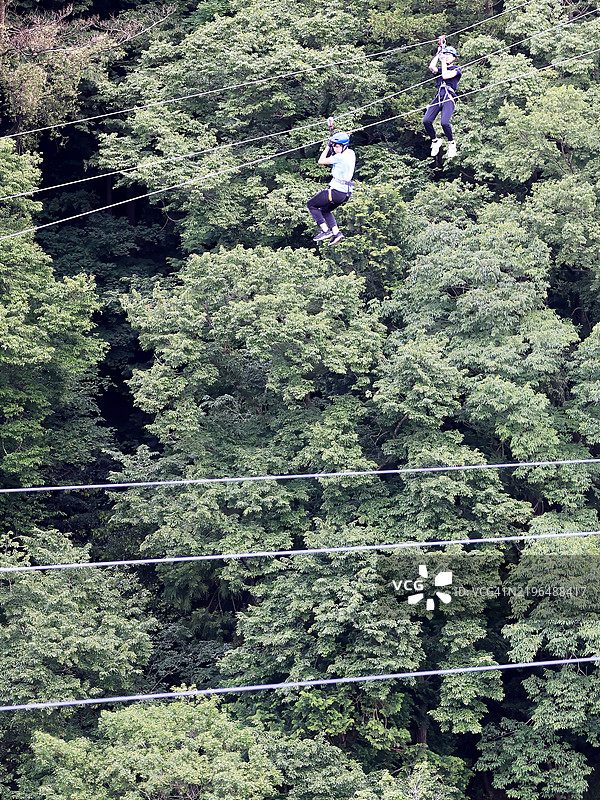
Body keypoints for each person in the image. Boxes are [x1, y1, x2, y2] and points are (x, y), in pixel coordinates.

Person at [307, 131, 355, 246]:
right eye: (334, 145)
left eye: (337, 146)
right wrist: (333, 146)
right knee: (325, 210)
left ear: (344, 146)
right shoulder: (351, 153)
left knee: (311, 205)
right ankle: (336, 233)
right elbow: (337, 155)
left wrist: (328, 146)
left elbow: (321, 161)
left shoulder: (339, 157)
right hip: (345, 194)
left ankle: (325, 230)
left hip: (336, 192)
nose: (335, 148)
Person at [423, 44, 462, 158]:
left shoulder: (456, 69)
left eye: (449, 55)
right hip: (438, 97)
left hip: (449, 97)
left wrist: (443, 61)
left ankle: (451, 143)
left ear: (454, 58)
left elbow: (445, 76)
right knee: (426, 121)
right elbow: (432, 67)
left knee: (444, 122)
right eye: (446, 55)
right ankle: (435, 141)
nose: (447, 57)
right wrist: (438, 54)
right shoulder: (441, 68)